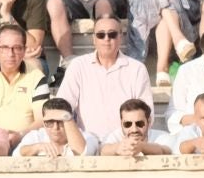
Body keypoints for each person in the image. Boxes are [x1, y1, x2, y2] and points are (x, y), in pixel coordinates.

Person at [55, 10, 149, 142]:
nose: (106, 39)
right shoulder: (78, 66)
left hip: (125, 143)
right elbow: (62, 105)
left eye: (112, 34)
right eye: (100, 35)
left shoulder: (137, 69)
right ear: (93, 39)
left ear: (120, 37)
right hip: (87, 143)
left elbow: (146, 114)